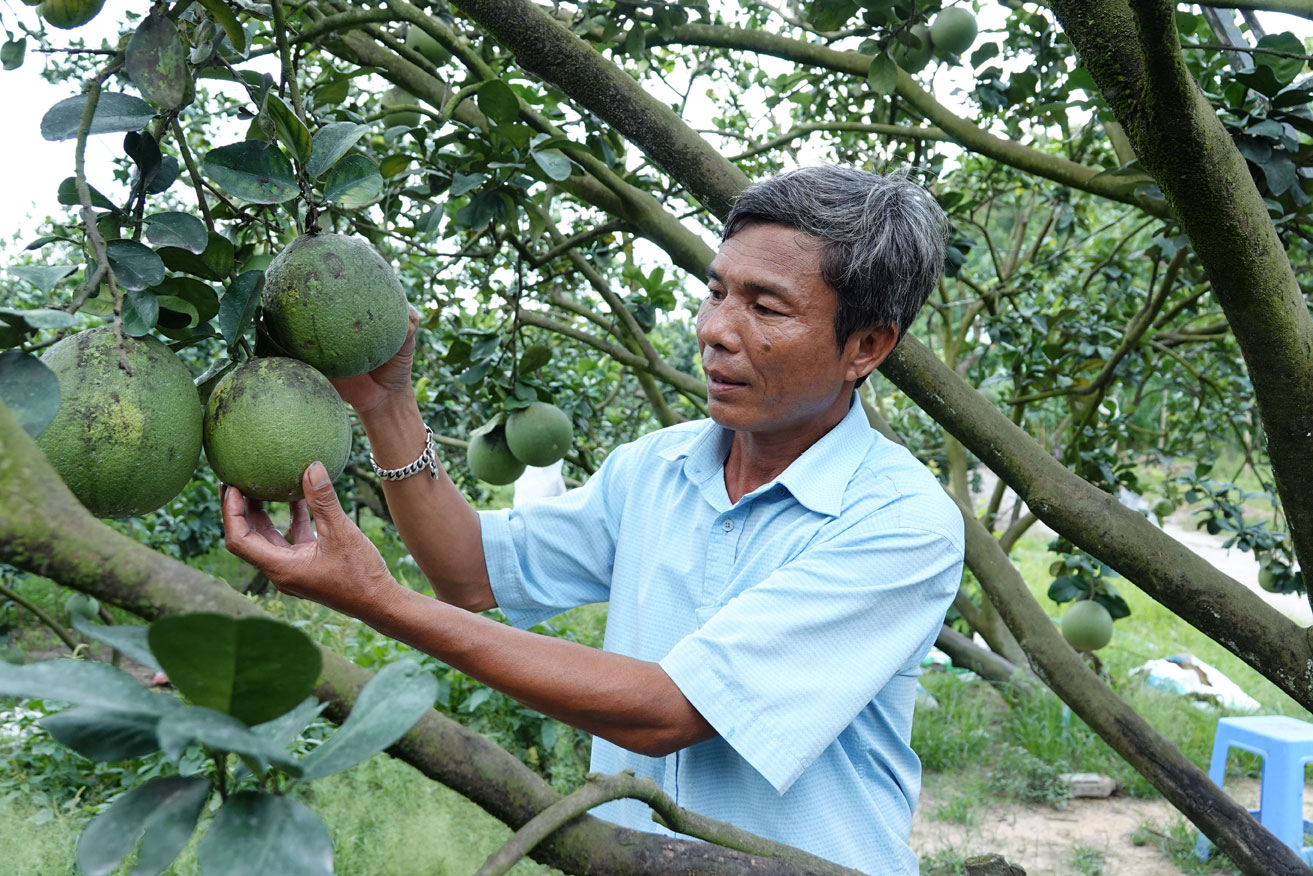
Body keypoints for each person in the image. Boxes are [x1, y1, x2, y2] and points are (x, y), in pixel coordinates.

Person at [222, 165, 965, 875]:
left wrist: (376, 600)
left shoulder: (899, 524)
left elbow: (668, 709)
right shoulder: (658, 469)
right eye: (715, 293)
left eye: (765, 307)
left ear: (865, 346)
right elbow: (469, 571)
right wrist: (386, 404)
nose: (715, 329)